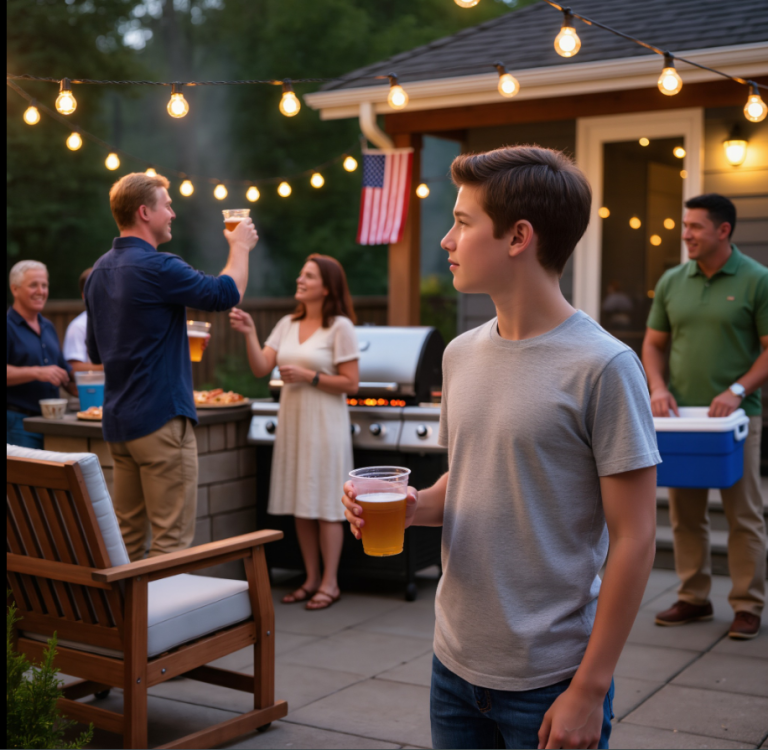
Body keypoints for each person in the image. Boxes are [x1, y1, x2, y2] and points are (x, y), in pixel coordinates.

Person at [343, 146, 660, 750]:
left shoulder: (605, 366)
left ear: (518, 237)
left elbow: (636, 538)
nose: (446, 240)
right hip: (452, 667)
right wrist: (412, 506)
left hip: (552, 682)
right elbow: (470, 480)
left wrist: (589, 690)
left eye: (462, 223)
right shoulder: (459, 354)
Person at [85, 172, 258, 561]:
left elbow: (97, 350)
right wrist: (240, 247)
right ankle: (162, 606)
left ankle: (126, 605)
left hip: (119, 426)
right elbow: (224, 293)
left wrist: (168, 335)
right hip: (161, 419)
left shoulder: (97, 272)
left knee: (127, 541)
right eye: (167, 205)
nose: (173, 214)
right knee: (172, 542)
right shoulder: (159, 266)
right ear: (144, 212)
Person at [643, 193, 768, 641]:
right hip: (683, 422)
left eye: (695, 226)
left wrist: (737, 390)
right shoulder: (673, 281)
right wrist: (657, 387)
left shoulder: (757, 280)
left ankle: (747, 604)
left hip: (736, 422)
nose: (686, 234)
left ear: (723, 230)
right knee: (685, 515)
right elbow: (653, 344)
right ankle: (694, 597)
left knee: (744, 515)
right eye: (685, 225)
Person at [230, 254, 359, 610]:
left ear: (327, 287)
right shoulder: (286, 323)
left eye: (309, 276)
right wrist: (249, 332)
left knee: (328, 504)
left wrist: (309, 376)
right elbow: (261, 367)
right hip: (294, 424)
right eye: (301, 274)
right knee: (302, 503)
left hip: (326, 425)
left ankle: (330, 583)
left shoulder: (340, 327)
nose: (300, 280)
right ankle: (311, 578)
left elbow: (352, 383)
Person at [7, 260, 76, 449]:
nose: (41, 291)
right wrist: (37, 372)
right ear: (15, 289)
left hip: (53, 423)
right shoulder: (8, 326)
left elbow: (64, 370)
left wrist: (88, 385)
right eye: (33, 285)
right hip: (18, 424)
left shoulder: (48, 326)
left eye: (44, 285)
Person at [63, 267, 103, 372]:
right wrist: (114, 367)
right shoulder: (79, 326)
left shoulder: (120, 321)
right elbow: (73, 368)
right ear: (84, 296)